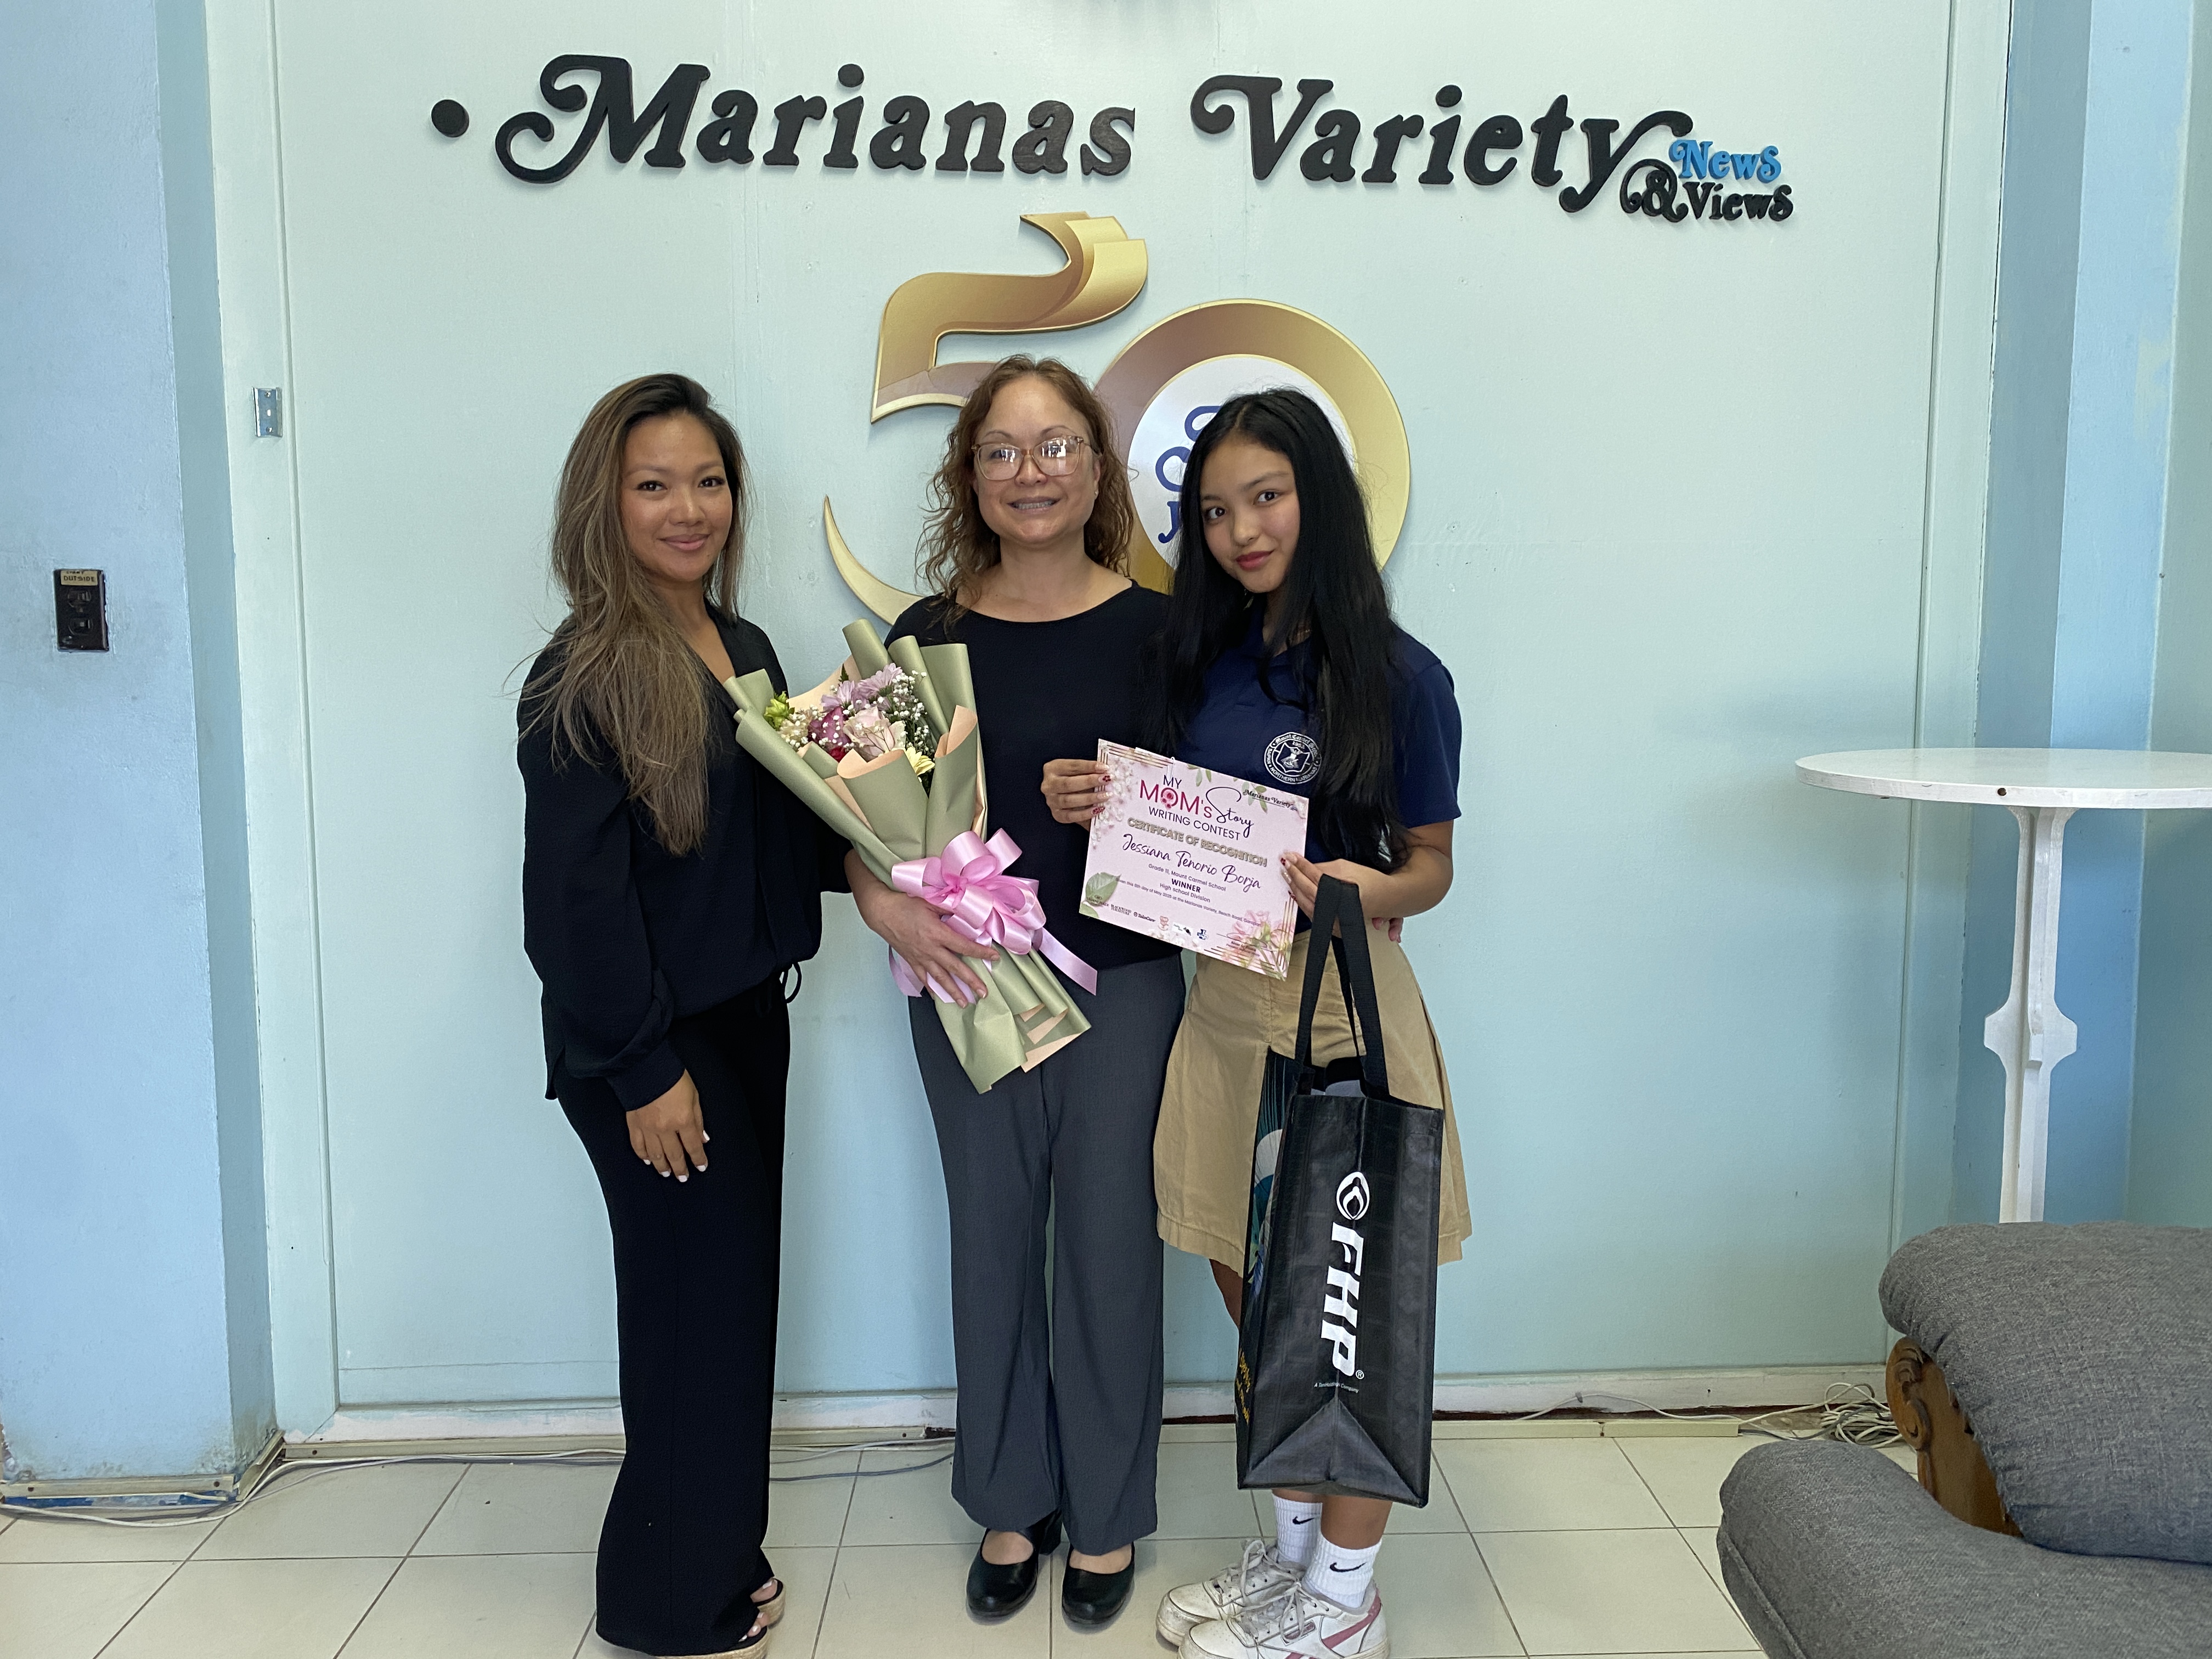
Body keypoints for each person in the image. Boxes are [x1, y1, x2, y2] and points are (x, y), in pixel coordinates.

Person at [1112, 388, 1475, 1659]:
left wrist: (1364, 886)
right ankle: (1292, 1559)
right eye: (1214, 511)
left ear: (1319, 496)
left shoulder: (1403, 677)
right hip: (1224, 1014)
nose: (1241, 530)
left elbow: (1429, 867)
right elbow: (1174, 835)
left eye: (1265, 497)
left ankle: (1345, 1603)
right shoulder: (1201, 661)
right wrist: (1102, 801)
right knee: (1253, 1288)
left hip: (1348, 1011)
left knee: (1347, 1312)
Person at [844, 355, 1179, 1629]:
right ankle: (1007, 1496)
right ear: (968, 474)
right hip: (963, 975)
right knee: (990, 1238)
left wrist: (1129, 797)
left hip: (1125, 983)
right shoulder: (928, 639)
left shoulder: (1160, 632)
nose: (1029, 472)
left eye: (1055, 447)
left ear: (1098, 468)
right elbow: (859, 818)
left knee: (1105, 1242)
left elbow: (1224, 832)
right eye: (1001, 450)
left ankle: (1105, 1516)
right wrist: (882, 904)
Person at [518, 374, 843, 1658]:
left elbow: (772, 838)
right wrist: (648, 1067)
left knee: (727, 1308)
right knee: (685, 1320)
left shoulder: (744, 645)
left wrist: (903, 843)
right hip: (651, 1049)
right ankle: (662, 1601)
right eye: (655, 483)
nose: (687, 507)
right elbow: (573, 909)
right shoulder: (583, 674)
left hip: (744, 1022)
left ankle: (717, 1549)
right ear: (605, 502)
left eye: (708, 480)